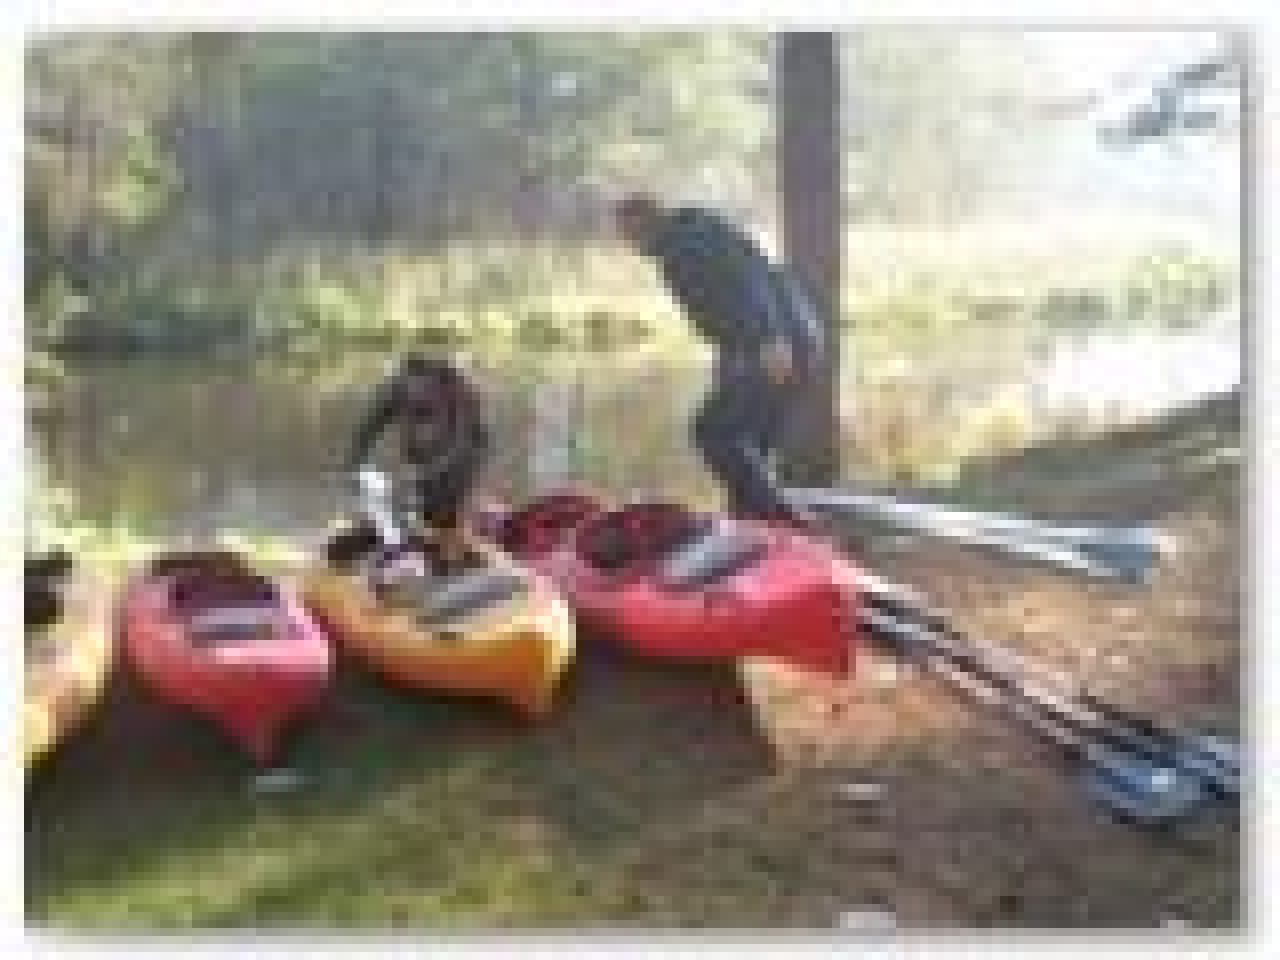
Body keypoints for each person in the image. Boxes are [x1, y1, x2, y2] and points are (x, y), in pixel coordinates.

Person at [614, 190, 825, 527]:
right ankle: (754, 525)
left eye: (627, 231)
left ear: (644, 220)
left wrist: (771, 339)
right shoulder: (687, 234)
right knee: (750, 448)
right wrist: (730, 360)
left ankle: (788, 521)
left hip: (779, 343)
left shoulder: (687, 241)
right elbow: (724, 306)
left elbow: (748, 279)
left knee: (711, 431)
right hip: (790, 339)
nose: (628, 243)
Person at [341, 350, 492, 567]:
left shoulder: (457, 389)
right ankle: (416, 549)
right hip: (425, 452)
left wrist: (425, 474)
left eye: (421, 400)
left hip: (467, 450)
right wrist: (354, 462)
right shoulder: (397, 387)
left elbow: (461, 446)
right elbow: (370, 425)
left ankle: (452, 553)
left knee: (444, 504)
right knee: (418, 505)